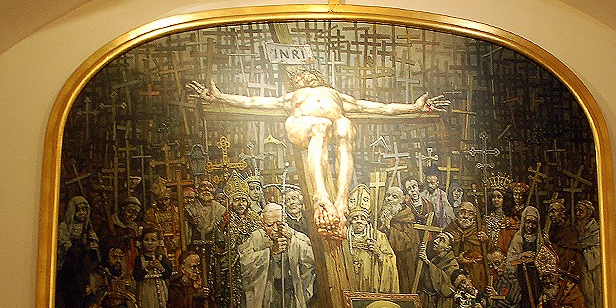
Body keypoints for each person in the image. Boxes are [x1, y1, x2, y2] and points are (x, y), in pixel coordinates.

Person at [188, 69, 448, 238]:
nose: (307, 76)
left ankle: (341, 201)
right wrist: (219, 97)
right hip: (303, 128)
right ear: (296, 82)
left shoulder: (336, 96)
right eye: (302, 75)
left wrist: (414, 107)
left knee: (344, 126)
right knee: (321, 126)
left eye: (311, 73)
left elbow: (380, 107)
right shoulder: (292, 97)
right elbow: (252, 101)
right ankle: (320, 195)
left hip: (330, 128)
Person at [211, 172, 261, 308]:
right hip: (233, 266)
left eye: (243, 200)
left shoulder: (255, 219)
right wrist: (221, 228)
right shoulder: (226, 218)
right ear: (231, 202)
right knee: (233, 299)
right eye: (237, 200)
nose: (240, 204)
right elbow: (218, 242)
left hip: (252, 266)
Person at [343, 185, 399, 293]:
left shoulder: (378, 236)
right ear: (350, 221)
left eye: (362, 218)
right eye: (355, 218)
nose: (359, 221)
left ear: (367, 221)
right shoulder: (344, 237)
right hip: (350, 284)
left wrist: (378, 253)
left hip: (372, 285)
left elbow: (391, 262)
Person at [505, 205, 545, 308]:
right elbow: (511, 259)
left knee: (537, 305)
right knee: (523, 306)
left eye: (533, 223)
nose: (530, 226)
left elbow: (545, 257)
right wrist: (522, 256)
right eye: (528, 222)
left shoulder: (540, 239)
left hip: (536, 278)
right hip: (522, 278)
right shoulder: (518, 238)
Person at [132, 226, 172, 308]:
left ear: (158, 242)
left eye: (153, 240)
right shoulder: (139, 259)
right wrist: (147, 268)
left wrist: (161, 267)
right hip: (146, 291)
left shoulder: (161, 258)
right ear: (142, 242)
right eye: (147, 240)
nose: (150, 243)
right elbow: (136, 276)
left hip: (160, 289)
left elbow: (168, 273)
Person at [443, 201, 488, 291]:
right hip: (453, 273)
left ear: (474, 216)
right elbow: (442, 255)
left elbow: (489, 253)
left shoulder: (480, 230)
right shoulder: (449, 229)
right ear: (457, 214)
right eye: (462, 212)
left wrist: (486, 240)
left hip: (475, 273)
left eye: (470, 214)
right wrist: (457, 259)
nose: (466, 216)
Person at [576, 199, 603, 308]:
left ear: (588, 213)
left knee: (598, 297)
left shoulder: (595, 230)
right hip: (585, 269)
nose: (577, 214)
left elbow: (597, 251)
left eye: (581, 211)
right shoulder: (578, 229)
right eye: (577, 211)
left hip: (595, 267)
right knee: (588, 298)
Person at [144, 177, 181, 269]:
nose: (164, 203)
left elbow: (182, 229)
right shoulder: (151, 213)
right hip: (159, 244)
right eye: (161, 200)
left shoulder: (177, 211)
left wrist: (177, 238)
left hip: (175, 242)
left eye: (166, 199)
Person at [545, 197, 584, 278]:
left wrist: (550, 245)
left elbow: (568, 256)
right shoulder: (551, 230)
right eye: (549, 212)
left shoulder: (570, 232)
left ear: (562, 213)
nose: (551, 215)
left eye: (553, 211)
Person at [111, 195, 143, 276]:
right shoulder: (112, 223)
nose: (132, 216)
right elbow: (108, 241)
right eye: (130, 212)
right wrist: (128, 236)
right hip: (118, 256)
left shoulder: (134, 226)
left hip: (131, 256)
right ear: (123, 209)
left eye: (135, 214)